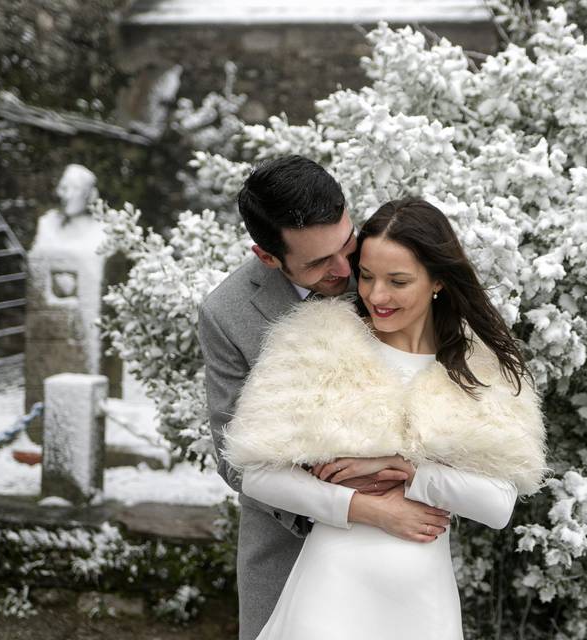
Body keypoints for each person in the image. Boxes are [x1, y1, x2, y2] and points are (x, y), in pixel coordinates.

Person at [225, 197, 548, 639]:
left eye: (398, 281)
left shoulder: (483, 369)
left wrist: (408, 471)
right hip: (330, 590)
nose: (377, 296)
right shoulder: (319, 345)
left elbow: (497, 505)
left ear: (437, 280)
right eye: (368, 276)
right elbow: (259, 475)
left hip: (423, 603)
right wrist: (365, 509)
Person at [197, 158, 451, 640]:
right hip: (286, 544)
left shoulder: (390, 262)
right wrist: (351, 504)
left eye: (344, 243)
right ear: (267, 256)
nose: (344, 270)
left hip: (401, 544)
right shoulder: (225, 313)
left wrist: (409, 472)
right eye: (317, 262)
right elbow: (235, 459)